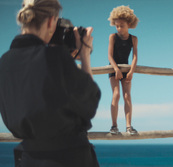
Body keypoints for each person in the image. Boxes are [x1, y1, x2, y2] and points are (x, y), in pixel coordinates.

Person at [0, 0, 100, 166]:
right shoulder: (55, 57)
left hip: (27, 158)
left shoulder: (4, 62)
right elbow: (89, 103)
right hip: (69, 158)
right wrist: (84, 54)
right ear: (50, 21)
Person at [107, 5, 139, 135]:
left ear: (129, 24)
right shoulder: (113, 37)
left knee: (127, 96)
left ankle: (128, 126)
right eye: (117, 25)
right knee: (116, 94)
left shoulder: (134, 39)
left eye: (122, 25)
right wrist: (116, 69)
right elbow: (109, 55)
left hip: (127, 70)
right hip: (113, 68)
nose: (119, 28)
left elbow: (135, 56)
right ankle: (114, 126)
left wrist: (131, 71)